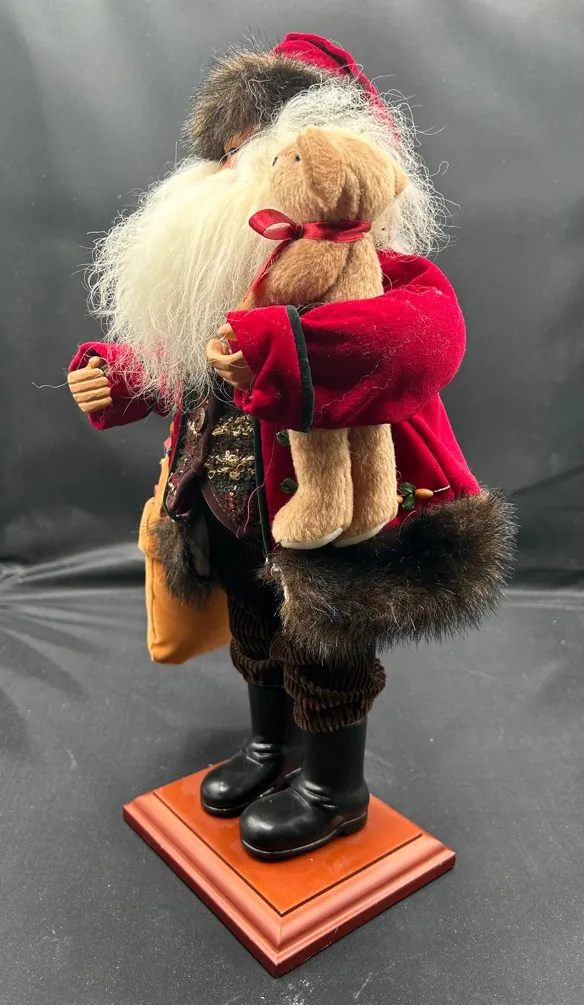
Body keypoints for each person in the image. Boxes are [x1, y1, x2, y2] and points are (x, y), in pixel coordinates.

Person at [68, 33, 514, 861]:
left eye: (253, 148)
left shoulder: (375, 268)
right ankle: (271, 747)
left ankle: (334, 788)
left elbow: (427, 340)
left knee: (327, 645)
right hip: (229, 501)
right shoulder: (222, 273)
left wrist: (285, 348)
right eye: (224, 153)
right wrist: (121, 377)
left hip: (340, 511)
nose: (231, 170)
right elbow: (182, 359)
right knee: (254, 627)